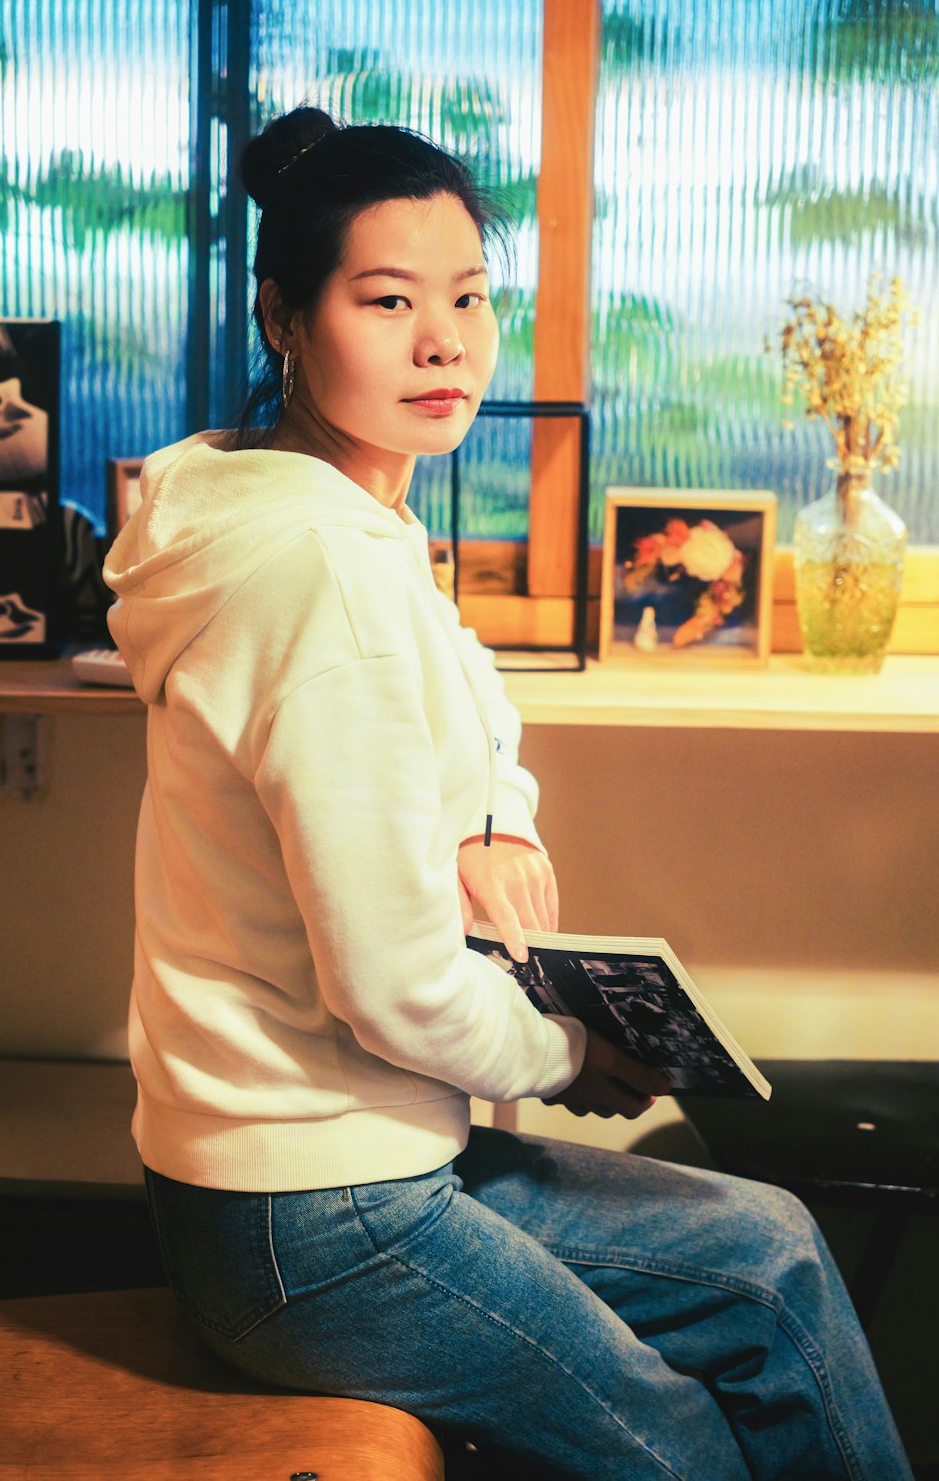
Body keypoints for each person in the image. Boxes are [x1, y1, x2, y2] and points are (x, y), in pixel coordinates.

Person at [103, 107, 912, 1480]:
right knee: (677, 1438)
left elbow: (468, 694)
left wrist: (493, 822)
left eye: (470, 297)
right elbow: (397, 986)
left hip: (343, 1170)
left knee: (770, 1256)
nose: (446, 341)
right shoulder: (322, 572)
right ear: (287, 319)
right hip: (316, 1210)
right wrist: (568, 1054)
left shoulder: (308, 507)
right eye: (389, 300)